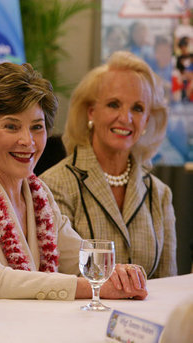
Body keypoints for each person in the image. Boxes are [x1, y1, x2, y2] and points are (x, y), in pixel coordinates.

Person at [0, 62, 148, 308]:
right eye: (12, 126)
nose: (28, 141)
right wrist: (92, 287)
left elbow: (79, 259)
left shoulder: (39, 194)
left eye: (37, 127)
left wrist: (118, 274)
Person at [40, 51, 177, 279]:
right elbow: (57, 278)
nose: (126, 118)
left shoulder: (159, 194)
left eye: (138, 108)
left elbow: (167, 285)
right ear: (91, 112)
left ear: (146, 120)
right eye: (114, 104)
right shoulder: (54, 185)